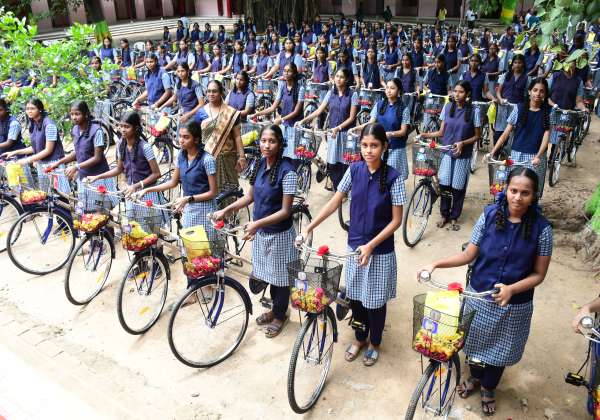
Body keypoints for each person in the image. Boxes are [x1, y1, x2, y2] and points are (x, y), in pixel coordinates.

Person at [418, 167, 553, 416]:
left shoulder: (543, 229)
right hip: (479, 295)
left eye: (525, 193)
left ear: (534, 195)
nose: (517, 197)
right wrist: (435, 264)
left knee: (500, 352)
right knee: (473, 345)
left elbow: (539, 274)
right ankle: (475, 377)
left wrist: (512, 289)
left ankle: (489, 387)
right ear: (506, 189)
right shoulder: (489, 215)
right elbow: (469, 254)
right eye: (513, 190)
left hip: (514, 305)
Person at [304, 123, 405, 366]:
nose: (368, 150)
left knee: (375, 302)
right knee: (357, 297)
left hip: (380, 251)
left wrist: (371, 245)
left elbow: (396, 221)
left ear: (384, 147)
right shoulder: (354, 170)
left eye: (374, 145)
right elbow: (335, 201)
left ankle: (375, 342)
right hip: (355, 247)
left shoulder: (394, 178)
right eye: (365, 145)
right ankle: (360, 338)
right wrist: (310, 226)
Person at [212, 125, 298, 338]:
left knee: (280, 278)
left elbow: (286, 211)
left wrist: (256, 224)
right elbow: (250, 196)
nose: (266, 145)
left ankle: (280, 315)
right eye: (263, 141)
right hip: (261, 232)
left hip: (279, 235)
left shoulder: (288, 171)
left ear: (280, 144)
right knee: (268, 273)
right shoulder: (260, 164)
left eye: (272, 141)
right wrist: (226, 209)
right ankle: (275, 310)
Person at [138, 121, 217, 287]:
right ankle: (193, 286)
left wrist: (189, 199)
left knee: (203, 249)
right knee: (189, 248)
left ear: (196, 139)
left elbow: (213, 192)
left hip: (204, 209)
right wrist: (148, 188)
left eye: (186, 137)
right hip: (189, 208)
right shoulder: (181, 156)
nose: (181, 140)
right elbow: (173, 182)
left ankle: (208, 283)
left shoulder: (207, 160)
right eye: (180, 136)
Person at [86, 111, 162, 231]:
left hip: (147, 193)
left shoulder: (145, 147)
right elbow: (119, 169)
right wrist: (97, 177)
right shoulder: (120, 144)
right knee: (133, 230)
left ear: (136, 128)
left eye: (127, 126)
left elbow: (157, 174)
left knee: (151, 231)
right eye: (121, 126)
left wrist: (137, 185)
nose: (123, 129)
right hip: (131, 193)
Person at [420, 81, 481, 230]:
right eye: (455, 91)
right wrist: (424, 134)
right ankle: (444, 214)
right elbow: (441, 132)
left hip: (463, 154)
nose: (457, 94)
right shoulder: (447, 107)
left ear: (467, 94)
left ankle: (454, 216)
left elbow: (477, 136)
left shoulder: (474, 111)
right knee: (444, 184)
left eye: (461, 92)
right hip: (447, 152)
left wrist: (462, 143)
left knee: (458, 187)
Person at [47, 101, 116, 210]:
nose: (74, 117)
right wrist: (59, 162)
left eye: (77, 114)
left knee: (103, 210)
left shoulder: (96, 131)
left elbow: (97, 157)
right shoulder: (75, 130)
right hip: (84, 176)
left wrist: (77, 166)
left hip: (98, 176)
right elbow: (78, 152)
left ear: (86, 114)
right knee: (87, 210)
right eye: (72, 114)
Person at [297, 68, 358, 189]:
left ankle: (344, 190)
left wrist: (338, 128)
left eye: (341, 77)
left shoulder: (353, 95)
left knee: (345, 163)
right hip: (332, 133)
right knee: (333, 162)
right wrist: (303, 120)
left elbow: (352, 118)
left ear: (346, 79)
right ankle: (336, 187)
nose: (338, 79)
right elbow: (318, 111)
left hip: (346, 134)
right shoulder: (330, 93)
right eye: (337, 76)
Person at [489, 77, 550, 198]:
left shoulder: (549, 112)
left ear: (545, 93)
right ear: (529, 91)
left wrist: (538, 156)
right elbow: (505, 133)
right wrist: (492, 152)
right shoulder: (519, 108)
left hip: (535, 157)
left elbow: (546, 136)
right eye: (535, 90)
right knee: (509, 186)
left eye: (541, 91)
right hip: (516, 154)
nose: (538, 94)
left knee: (530, 190)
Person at [2, 98, 70, 195]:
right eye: (27, 109)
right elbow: (35, 147)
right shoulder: (33, 123)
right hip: (41, 164)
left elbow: (48, 150)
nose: (29, 111)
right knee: (46, 196)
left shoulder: (49, 125)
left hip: (54, 164)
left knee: (62, 195)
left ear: (40, 109)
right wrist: (15, 152)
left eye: (32, 108)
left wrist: (27, 160)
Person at [354, 78, 411, 180]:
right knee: (377, 177)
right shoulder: (379, 104)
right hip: (379, 147)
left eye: (392, 88)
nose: (388, 90)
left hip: (395, 149)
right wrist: (356, 128)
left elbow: (403, 132)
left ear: (399, 90)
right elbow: (371, 123)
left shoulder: (404, 109)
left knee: (392, 178)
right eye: (387, 88)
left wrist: (390, 134)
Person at [194, 80, 245, 193]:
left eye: (214, 91)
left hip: (228, 158)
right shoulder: (201, 112)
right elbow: (196, 137)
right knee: (209, 189)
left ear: (221, 92)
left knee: (230, 190)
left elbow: (237, 136)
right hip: (208, 158)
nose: (211, 94)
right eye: (209, 91)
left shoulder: (231, 113)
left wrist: (242, 157)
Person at [253, 63, 305, 163]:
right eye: (284, 71)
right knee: (282, 154)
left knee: (294, 156)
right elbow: (273, 107)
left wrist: (281, 119)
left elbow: (296, 111)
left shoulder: (300, 89)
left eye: (289, 71)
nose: (286, 73)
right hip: (284, 125)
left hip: (295, 126)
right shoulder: (282, 87)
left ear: (294, 73)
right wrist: (257, 114)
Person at [493, 54, 527, 145]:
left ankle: (506, 149)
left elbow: (526, 96)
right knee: (498, 131)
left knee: (511, 132)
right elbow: (498, 91)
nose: (517, 65)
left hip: (516, 108)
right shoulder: (505, 76)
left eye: (519, 63)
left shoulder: (527, 79)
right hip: (503, 107)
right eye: (515, 62)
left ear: (523, 64)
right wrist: (500, 99)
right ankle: (496, 150)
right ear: (512, 64)